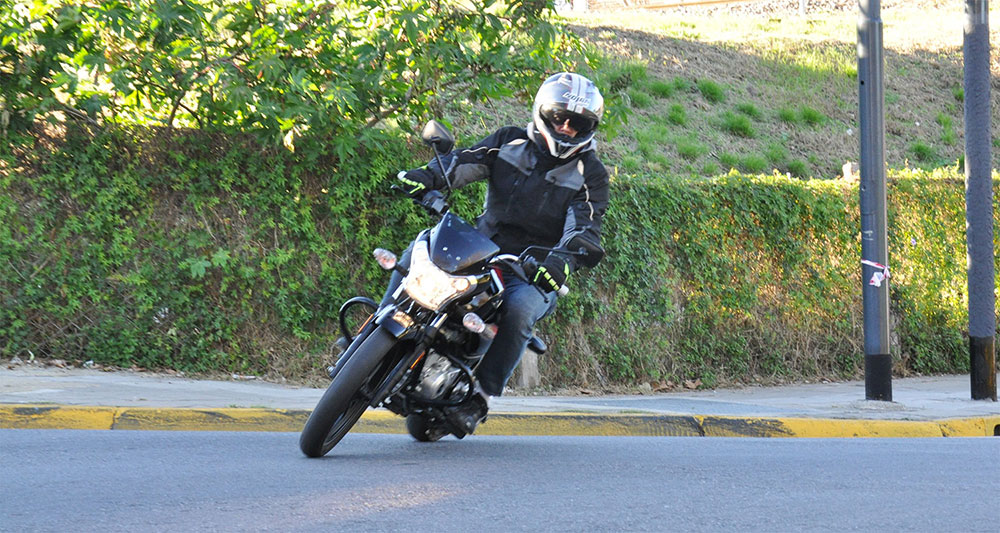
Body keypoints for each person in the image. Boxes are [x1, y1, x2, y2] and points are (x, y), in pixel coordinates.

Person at [395, 72, 610, 435]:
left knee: (522, 308)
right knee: (419, 251)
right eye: (560, 117)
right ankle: (381, 326)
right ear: (543, 112)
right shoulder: (509, 140)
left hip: (534, 270)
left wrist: (561, 261)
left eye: (578, 123)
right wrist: (428, 177)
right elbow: (463, 163)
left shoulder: (591, 174)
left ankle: (480, 397)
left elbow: (585, 226)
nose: (567, 128)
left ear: (590, 128)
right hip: (480, 250)